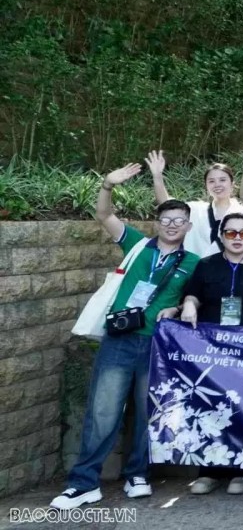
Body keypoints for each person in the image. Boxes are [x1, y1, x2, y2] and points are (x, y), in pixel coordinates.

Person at [51, 164, 200, 510]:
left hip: (157, 344)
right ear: (157, 222)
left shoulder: (192, 262)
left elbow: (198, 296)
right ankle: (83, 483)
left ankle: (139, 473)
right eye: (167, 219)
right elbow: (104, 214)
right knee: (103, 411)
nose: (172, 224)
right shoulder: (137, 244)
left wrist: (178, 309)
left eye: (179, 220)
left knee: (149, 411)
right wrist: (107, 184)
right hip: (120, 339)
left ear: (188, 226)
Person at [177, 212, 243, 496]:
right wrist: (189, 306)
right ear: (221, 236)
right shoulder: (206, 266)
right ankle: (209, 471)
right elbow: (192, 294)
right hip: (212, 350)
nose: (238, 239)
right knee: (210, 405)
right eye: (231, 233)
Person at [146, 152, 243, 259]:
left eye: (222, 180)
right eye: (211, 181)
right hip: (194, 270)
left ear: (232, 183)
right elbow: (165, 202)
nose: (217, 185)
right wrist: (157, 176)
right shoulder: (196, 209)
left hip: (226, 272)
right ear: (206, 186)